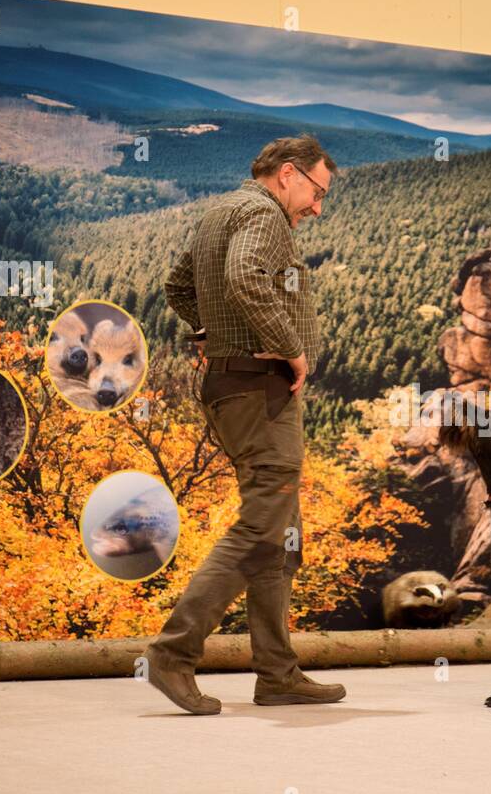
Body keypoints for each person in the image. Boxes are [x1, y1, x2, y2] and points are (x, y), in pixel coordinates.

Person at [143, 135, 346, 713]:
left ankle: (277, 673)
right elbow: (248, 278)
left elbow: (180, 286)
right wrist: (290, 348)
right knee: (262, 530)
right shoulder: (263, 215)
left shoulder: (222, 211)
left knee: (282, 537)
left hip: (234, 386)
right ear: (289, 174)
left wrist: (215, 332)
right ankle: (173, 654)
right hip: (260, 392)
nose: (317, 207)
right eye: (316, 191)